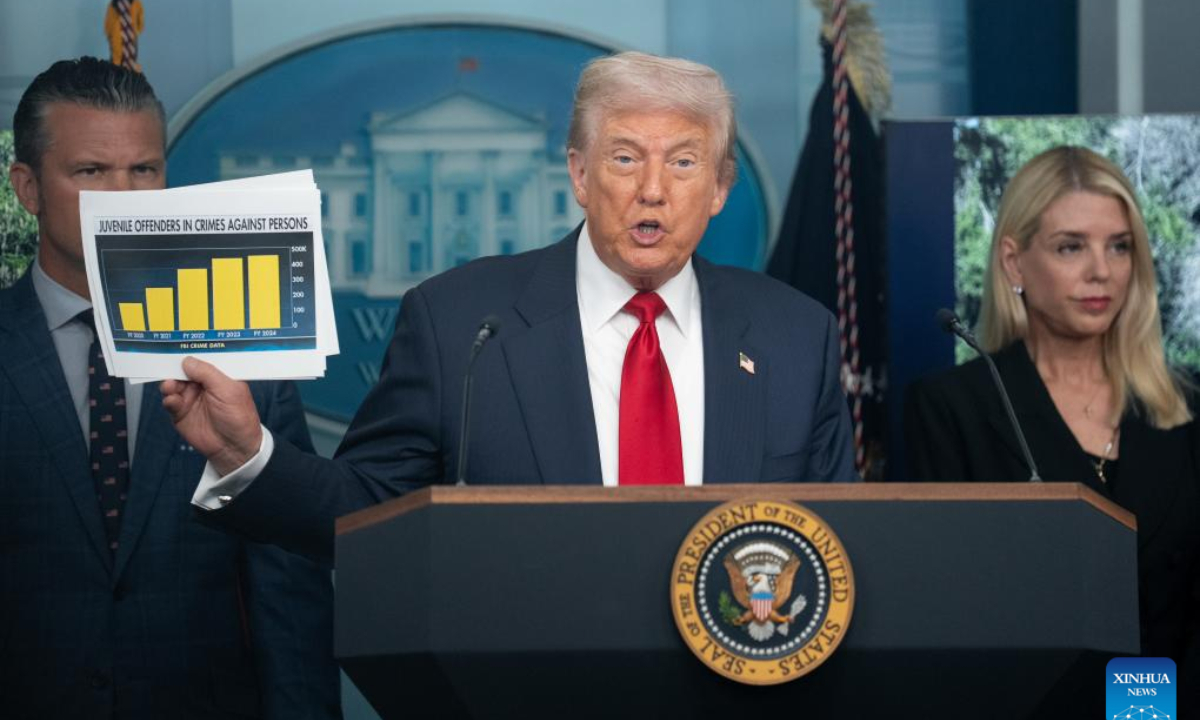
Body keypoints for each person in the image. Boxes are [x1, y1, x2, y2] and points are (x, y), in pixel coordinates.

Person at [165, 52, 858, 566]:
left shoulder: (795, 336)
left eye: (682, 163)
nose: (653, 189)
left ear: (719, 188)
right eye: (623, 158)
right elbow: (365, 516)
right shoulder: (458, 323)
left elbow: (838, 550)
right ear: (580, 176)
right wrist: (247, 456)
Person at [1, 57, 341, 719]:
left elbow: (289, 592)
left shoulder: (246, 353)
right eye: (91, 172)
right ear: (28, 187)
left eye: (144, 170)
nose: (124, 198)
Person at [905, 146, 1199, 700]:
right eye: (1071, 247)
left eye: (1119, 247)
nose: (1101, 271)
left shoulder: (1190, 403)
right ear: (1014, 263)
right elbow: (949, 613)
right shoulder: (952, 409)